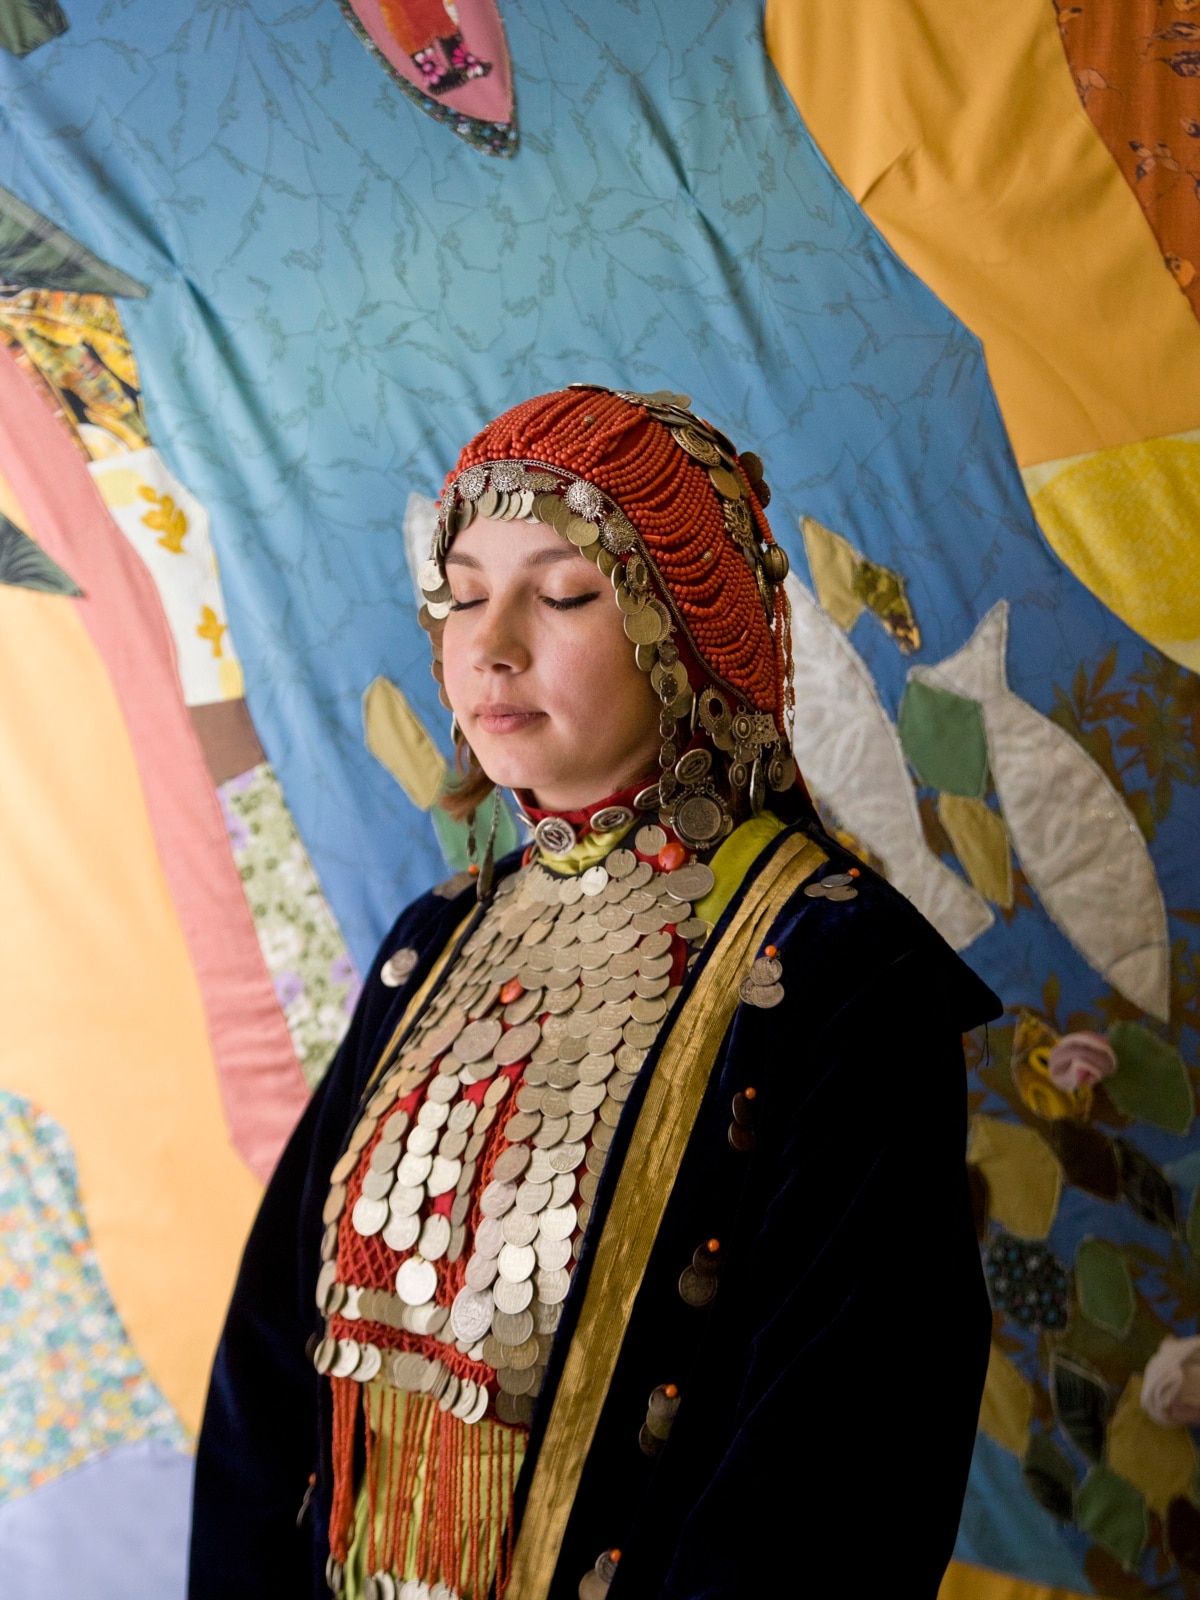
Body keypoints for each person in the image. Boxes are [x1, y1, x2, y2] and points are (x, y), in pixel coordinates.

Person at [189, 384, 1000, 1600]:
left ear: (690, 630)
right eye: (463, 594)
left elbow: (837, 1464)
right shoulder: (435, 944)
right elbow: (268, 1372)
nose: (491, 643)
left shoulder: (841, 969)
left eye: (564, 593)